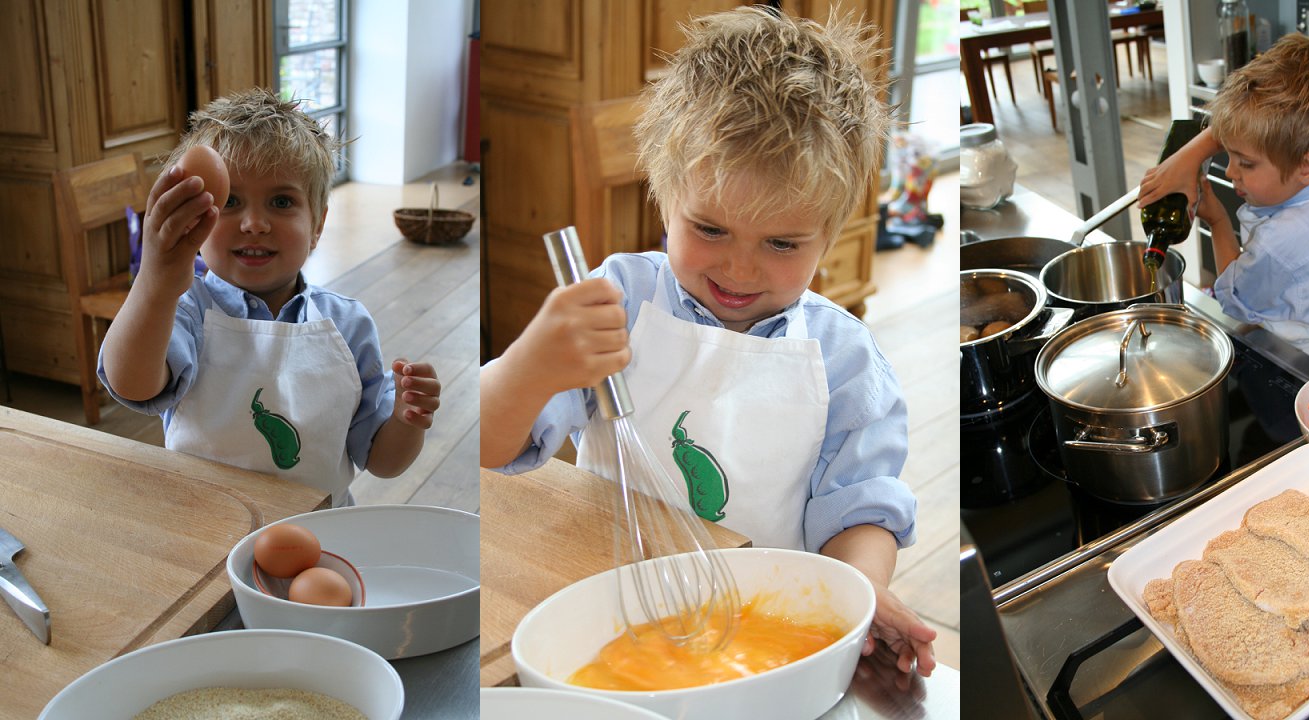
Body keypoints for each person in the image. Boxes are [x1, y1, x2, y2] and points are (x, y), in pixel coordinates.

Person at [478, 7, 936, 677]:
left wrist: (860, 590)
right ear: (663, 201)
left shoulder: (844, 359)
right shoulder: (620, 304)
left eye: (781, 243)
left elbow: (860, 511)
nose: (740, 269)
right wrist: (530, 363)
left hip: (760, 634)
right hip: (609, 614)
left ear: (829, 238)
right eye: (711, 229)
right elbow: (493, 446)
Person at [100, 88, 439, 506]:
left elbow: (383, 462)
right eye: (230, 202)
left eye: (281, 201)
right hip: (205, 526)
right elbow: (131, 385)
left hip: (320, 534)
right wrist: (154, 282)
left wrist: (409, 419)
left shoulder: (348, 327)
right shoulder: (185, 308)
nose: (255, 223)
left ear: (317, 224)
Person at [1139, 34, 1309, 372]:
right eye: (1229, 154)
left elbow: (1234, 299)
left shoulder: (1283, 240)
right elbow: (1252, 130)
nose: (1231, 171)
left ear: (1308, 166)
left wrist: (1218, 221)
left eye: (1245, 163)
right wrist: (1190, 155)